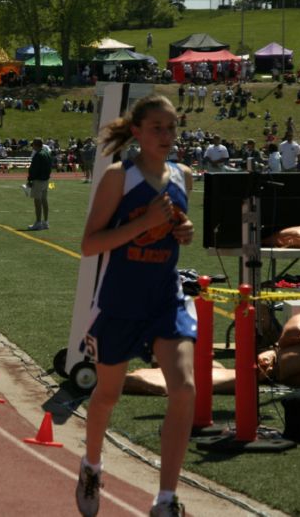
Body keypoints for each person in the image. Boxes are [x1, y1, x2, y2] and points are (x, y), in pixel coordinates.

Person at [75, 94, 195, 517]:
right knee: (107, 395)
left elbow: (175, 229)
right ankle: (91, 464)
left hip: (165, 298)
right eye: (157, 127)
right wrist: (144, 224)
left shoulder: (184, 176)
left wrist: (183, 232)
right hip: (120, 300)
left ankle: (166, 499)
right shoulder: (118, 177)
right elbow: (90, 245)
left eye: (172, 127)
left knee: (184, 389)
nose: (166, 135)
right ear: (138, 132)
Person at [27, 137, 53, 230]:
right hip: (45, 180)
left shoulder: (38, 155)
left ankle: (38, 222)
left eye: (33, 144)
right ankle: (45, 222)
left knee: (37, 201)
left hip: (38, 180)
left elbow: (34, 169)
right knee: (44, 200)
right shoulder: (47, 153)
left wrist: (30, 180)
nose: (32, 146)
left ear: (36, 145)